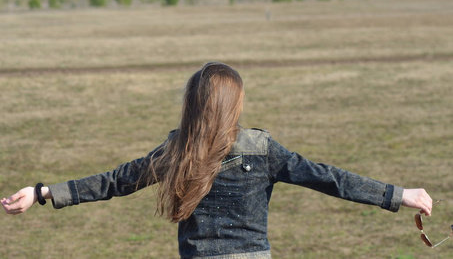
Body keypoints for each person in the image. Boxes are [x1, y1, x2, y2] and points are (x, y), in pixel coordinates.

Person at [2, 62, 432, 259]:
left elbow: (115, 181)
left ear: (193, 105)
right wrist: (400, 195)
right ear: (234, 105)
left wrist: (43, 193)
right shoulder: (264, 150)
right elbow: (332, 179)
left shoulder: (176, 149)